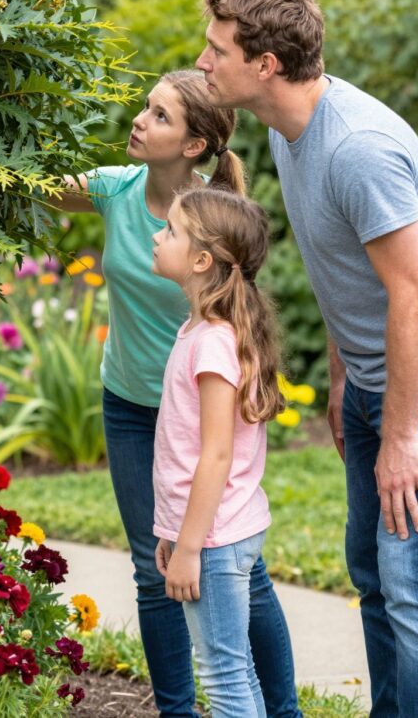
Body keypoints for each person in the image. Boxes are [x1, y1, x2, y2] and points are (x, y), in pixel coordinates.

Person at [196, 0, 418, 718]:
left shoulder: (357, 148)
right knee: (372, 569)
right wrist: (342, 383)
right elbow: (348, 275)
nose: (203, 61)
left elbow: (417, 295)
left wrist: (401, 435)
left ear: (265, 63)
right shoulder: (288, 129)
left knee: (414, 580)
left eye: (217, 48)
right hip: (374, 375)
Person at [54, 70, 301, 718]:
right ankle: (177, 711)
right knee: (153, 566)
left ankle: (281, 710)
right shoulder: (115, 189)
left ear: (194, 144)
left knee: (237, 572)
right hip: (132, 404)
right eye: (145, 108)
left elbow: (233, 326)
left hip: (200, 411)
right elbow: (33, 185)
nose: (139, 121)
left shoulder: (209, 223)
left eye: (159, 116)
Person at [151, 187, 287, 718]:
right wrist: (173, 532)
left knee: (223, 674)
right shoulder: (202, 330)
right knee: (236, 671)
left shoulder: (211, 341)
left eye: (171, 232)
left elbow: (215, 456)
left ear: (202, 260)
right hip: (216, 531)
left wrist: (189, 548)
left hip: (213, 539)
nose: (159, 238)